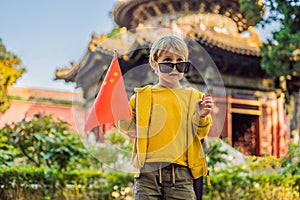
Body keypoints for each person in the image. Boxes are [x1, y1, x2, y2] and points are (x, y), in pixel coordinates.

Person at [120, 35, 213, 199]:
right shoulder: (142, 96)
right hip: (147, 174)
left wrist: (201, 115)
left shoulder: (194, 97)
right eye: (167, 62)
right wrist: (117, 108)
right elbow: (126, 126)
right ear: (154, 64)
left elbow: (200, 134)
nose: (174, 68)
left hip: (182, 174)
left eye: (180, 63)